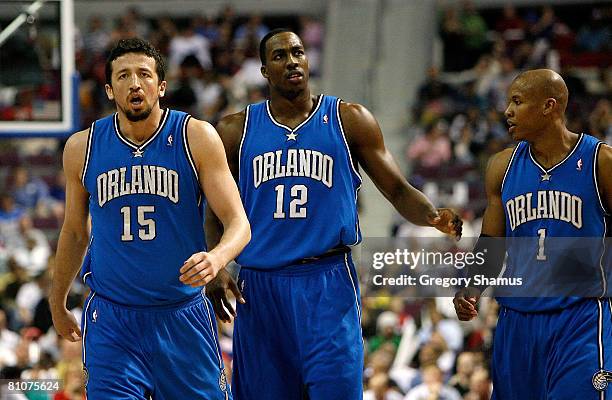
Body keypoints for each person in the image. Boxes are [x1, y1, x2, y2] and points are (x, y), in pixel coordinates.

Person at [205, 28, 463, 400]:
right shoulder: (235, 130)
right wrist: (217, 266)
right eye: (279, 56)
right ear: (263, 70)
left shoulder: (349, 119)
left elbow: (397, 189)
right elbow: (213, 210)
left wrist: (432, 215)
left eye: (297, 52)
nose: (291, 61)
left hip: (328, 280)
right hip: (261, 285)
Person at [49, 38, 250, 399]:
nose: (135, 83)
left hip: (181, 314)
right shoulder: (82, 148)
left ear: (161, 85)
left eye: (144, 74)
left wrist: (216, 258)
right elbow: (75, 233)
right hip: (113, 321)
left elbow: (239, 223)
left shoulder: (196, 137)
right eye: (123, 76)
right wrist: (57, 300)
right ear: (110, 90)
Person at [454, 69, 611, 399]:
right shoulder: (501, 166)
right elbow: (493, 242)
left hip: (580, 318)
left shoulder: (601, 162)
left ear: (549, 106)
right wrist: (471, 285)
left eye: (517, 101)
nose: (507, 111)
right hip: (516, 321)